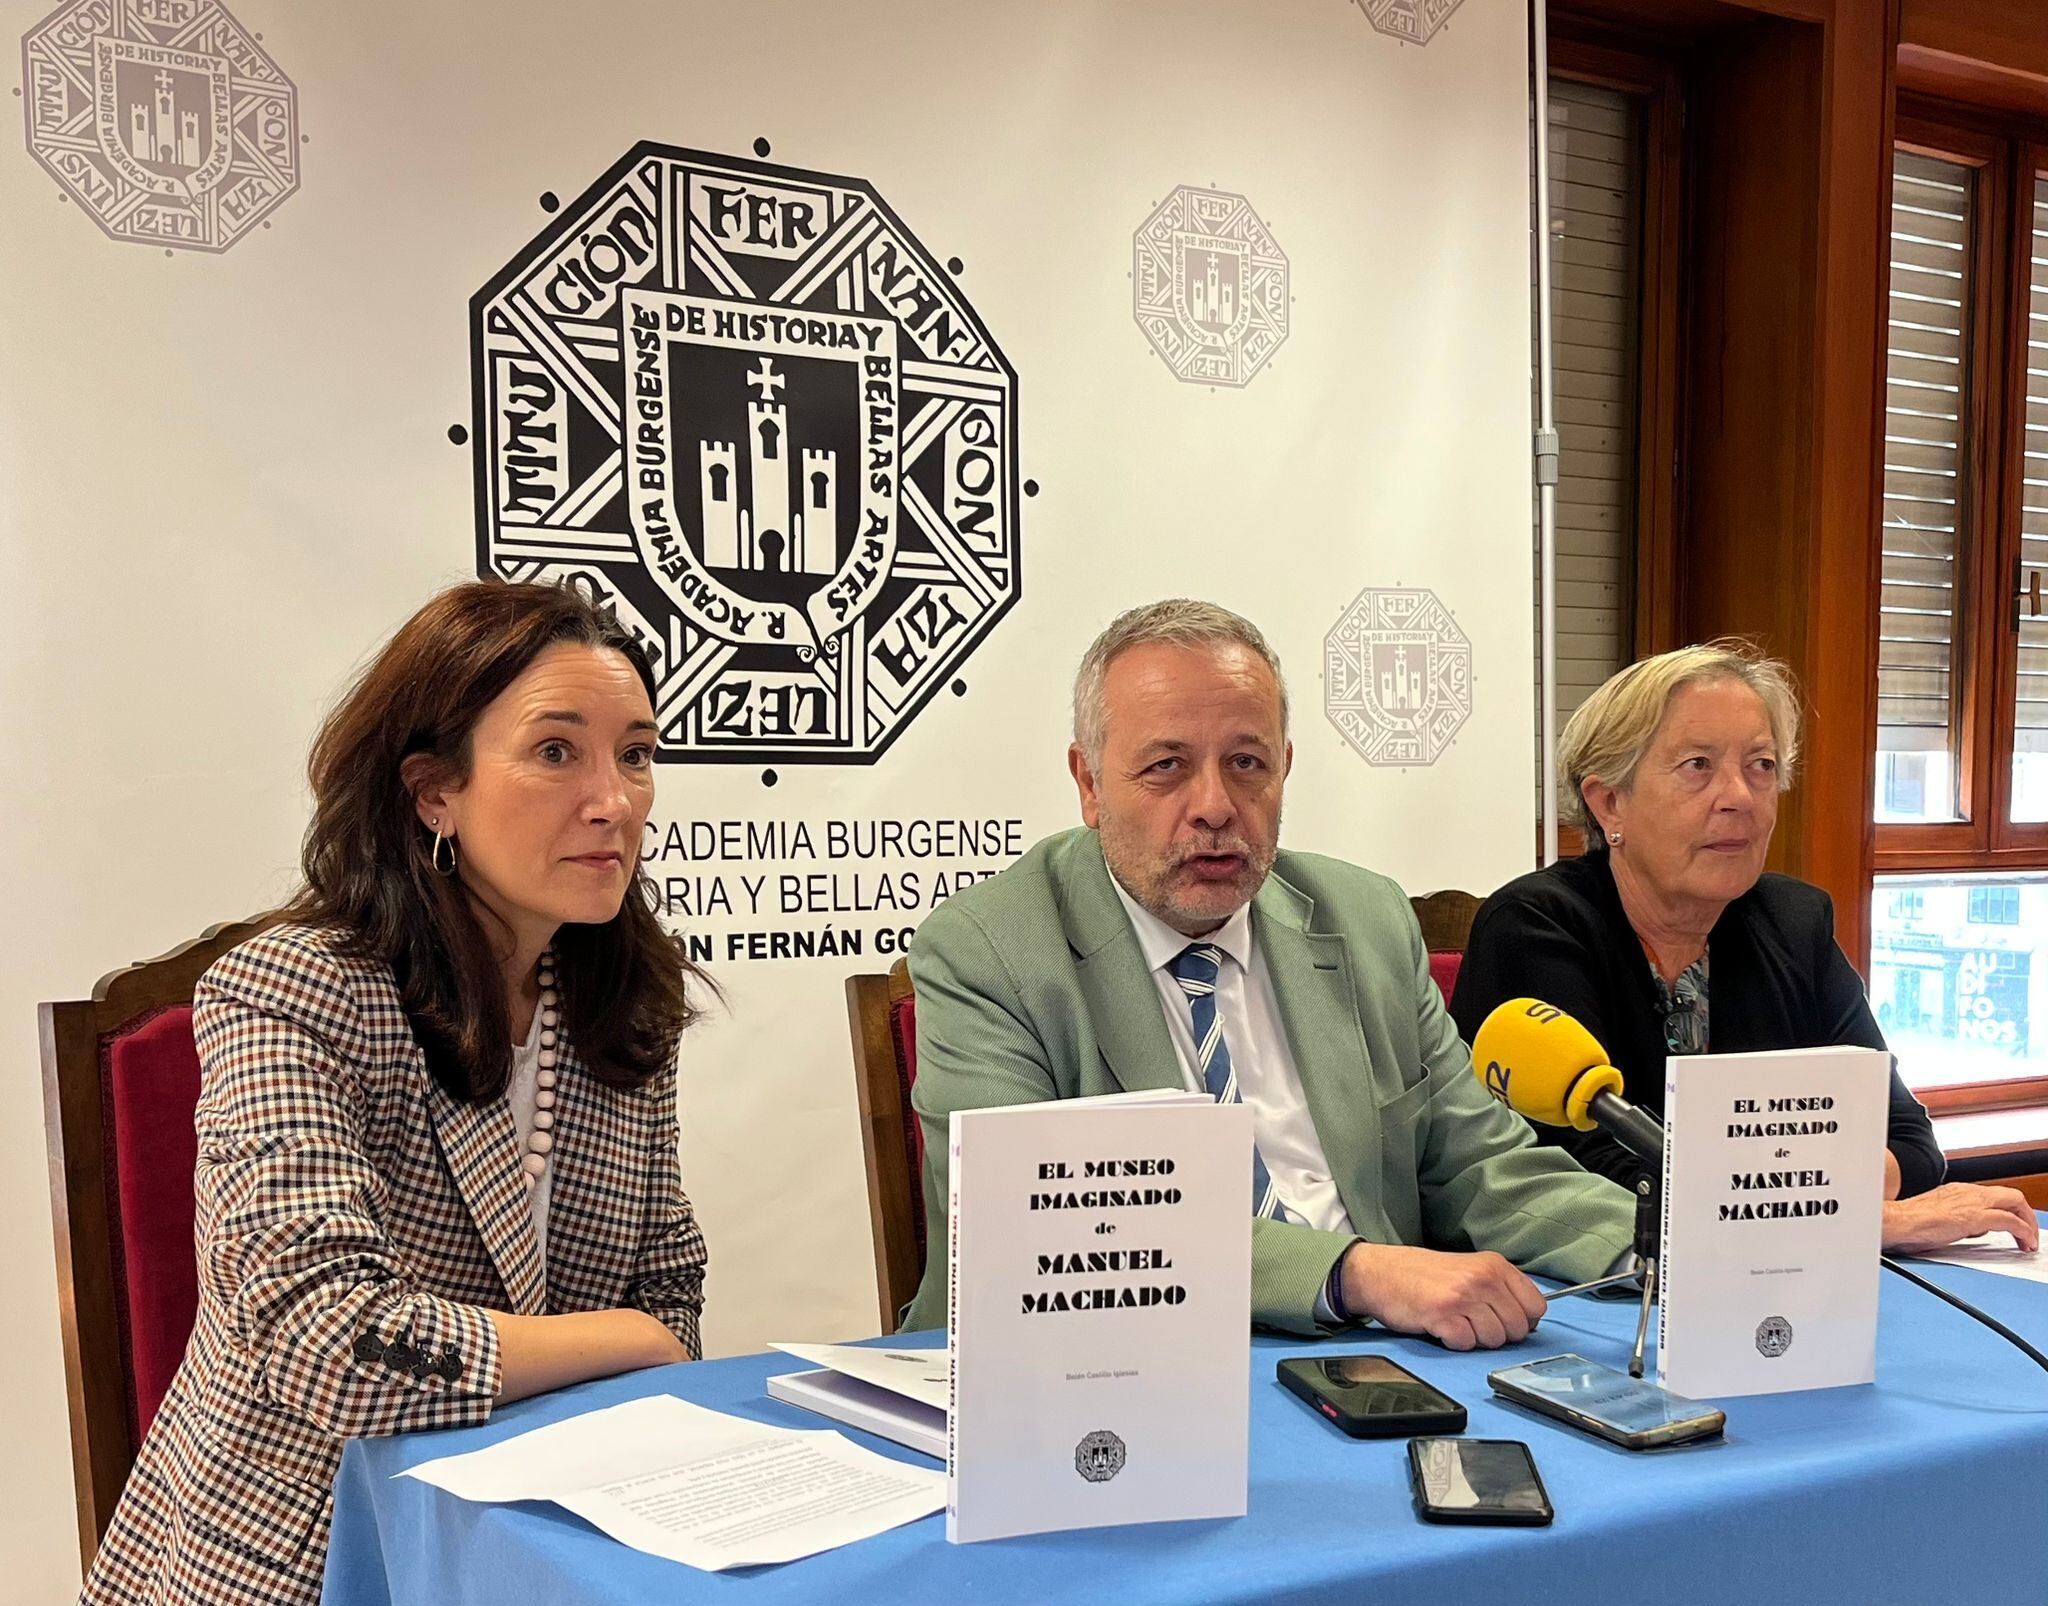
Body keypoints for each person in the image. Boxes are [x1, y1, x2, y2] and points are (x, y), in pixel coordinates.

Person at [84, 582, 713, 1605]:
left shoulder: (622, 996)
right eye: (557, 752)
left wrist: (641, 1341)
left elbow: (668, 1290)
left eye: (635, 754)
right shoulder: (296, 987)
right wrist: (631, 1341)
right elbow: (326, 1341)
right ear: (433, 792)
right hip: (305, 1549)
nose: (615, 800)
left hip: (533, 1529)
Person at [900, 599, 1636, 1348]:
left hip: (1381, 1362)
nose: (1215, 806)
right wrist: (1358, 1274)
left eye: (1246, 764)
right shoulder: (989, 950)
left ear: (1284, 768)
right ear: (1089, 783)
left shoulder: (1366, 920)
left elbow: (1479, 1163)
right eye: (1167, 767)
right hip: (1110, 1367)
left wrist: (1655, 1247)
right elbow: (1041, 1229)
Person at [1451, 640, 2039, 1256]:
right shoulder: (1537, 926)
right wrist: (1847, 1218)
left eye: (1761, 765)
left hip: (1776, 1287)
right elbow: (1588, 1171)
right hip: (1578, 1289)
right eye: (1698, 765)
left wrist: (1811, 1202)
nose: (1739, 795)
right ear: (1609, 802)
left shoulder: (1792, 921)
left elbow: (1907, 1141)